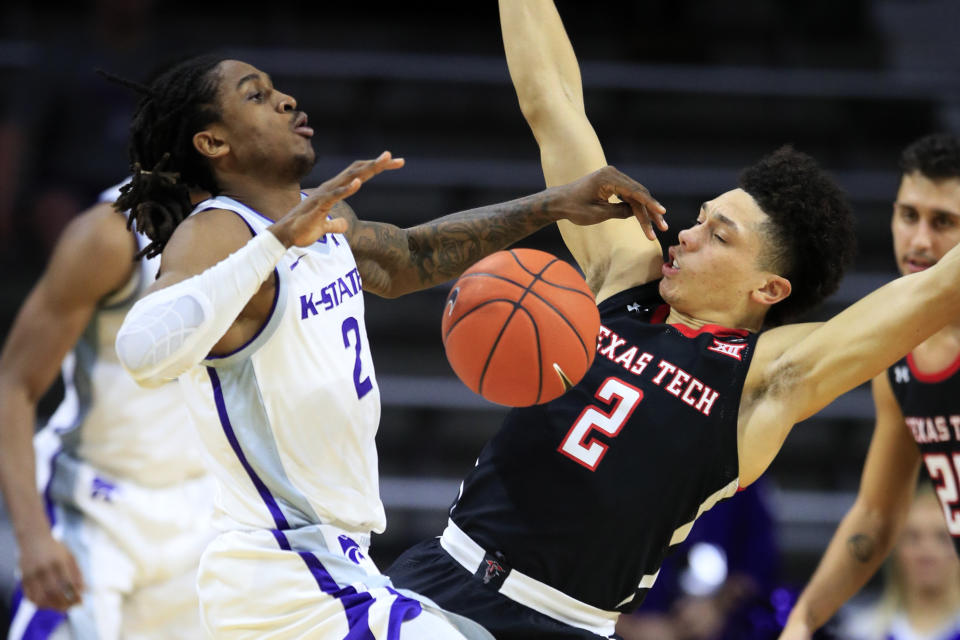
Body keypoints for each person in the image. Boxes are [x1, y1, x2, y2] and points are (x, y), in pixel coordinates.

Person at [384, 3, 960, 639]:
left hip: (563, 622)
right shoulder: (626, 275)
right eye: (700, 216)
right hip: (442, 572)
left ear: (768, 287)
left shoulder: (764, 378)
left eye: (718, 234)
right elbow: (552, 102)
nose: (685, 234)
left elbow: (935, 289)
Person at [108, 54, 660, 639]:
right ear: (213, 142)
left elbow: (410, 258)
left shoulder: (323, 218)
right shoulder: (218, 232)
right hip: (285, 572)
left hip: (334, 566)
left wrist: (552, 204)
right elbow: (141, 351)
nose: (286, 100)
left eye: (276, 90)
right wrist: (273, 243)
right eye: (256, 95)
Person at [0, 181, 215, 638]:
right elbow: (12, 384)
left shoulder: (262, 224)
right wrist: (33, 536)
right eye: (255, 101)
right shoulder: (110, 234)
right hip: (96, 508)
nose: (287, 106)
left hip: (205, 507)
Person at [780, 132, 960, 639]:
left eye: (944, 222)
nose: (920, 241)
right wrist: (805, 617)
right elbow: (878, 515)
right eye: (909, 215)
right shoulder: (899, 357)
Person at [837, 483, 960, 640]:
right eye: (913, 537)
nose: (926, 551)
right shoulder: (861, 631)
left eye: (942, 537)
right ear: (895, 549)